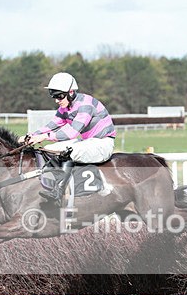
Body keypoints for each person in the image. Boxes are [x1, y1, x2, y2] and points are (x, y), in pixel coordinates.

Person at [21, 72, 116, 204]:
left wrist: (43, 137)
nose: (57, 101)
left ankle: (59, 190)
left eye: (59, 96)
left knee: (68, 152)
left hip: (103, 144)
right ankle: (52, 182)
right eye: (54, 96)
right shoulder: (65, 107)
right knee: (47, 149)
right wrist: (33, 135)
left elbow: (72, 133)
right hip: (88, 142)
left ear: (71, 92)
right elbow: (52, 125)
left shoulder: (85, 105)